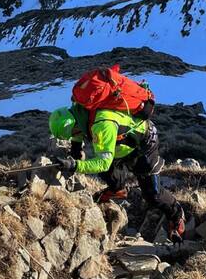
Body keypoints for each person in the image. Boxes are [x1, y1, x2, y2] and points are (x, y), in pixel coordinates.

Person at [49, 103, 186, 242]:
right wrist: (73, 153)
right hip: (120, 143)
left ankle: (177, 215)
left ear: (73, 125)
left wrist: (74, 165)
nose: (75, 135)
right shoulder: (79, 115)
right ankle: (118, 189)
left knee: (152, 194)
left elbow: (103, 163)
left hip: (144, 144)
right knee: (104, 169)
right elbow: (76, 140)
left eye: (73, 133)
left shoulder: (102, 125)